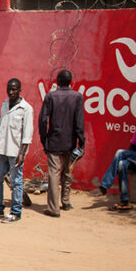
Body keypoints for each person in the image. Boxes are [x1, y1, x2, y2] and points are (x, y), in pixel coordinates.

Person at [0, 78, 33, 223]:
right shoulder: (5, 105)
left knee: (16, 182)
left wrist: (22, 154)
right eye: (9, 89)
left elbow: (27, 135)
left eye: (14, 89)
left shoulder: (26, 109)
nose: (11, 92)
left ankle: (16, 212)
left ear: (20, 90)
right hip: (1, 150)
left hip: (15, 152)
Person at [38, 69, 84, 217]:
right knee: (67, 171)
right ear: (71, 81)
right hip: (70, 141)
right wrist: (81, 141)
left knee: (54, 173)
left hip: (54, 141)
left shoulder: (50, 96)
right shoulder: (77, 97)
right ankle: (66, 202)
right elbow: (79, 122)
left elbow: (43, 120)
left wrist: (44, 138)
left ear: (57, 81)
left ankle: (53, 208)